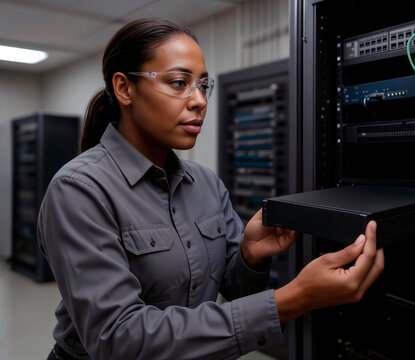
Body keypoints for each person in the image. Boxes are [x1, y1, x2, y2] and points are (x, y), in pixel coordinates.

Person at [37, 18, 384, 360]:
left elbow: (234, 289)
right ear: (125, 89)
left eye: (203, 85)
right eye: (178, 83)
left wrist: (248, 256)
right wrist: (294, 299)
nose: (199, 100)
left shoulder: (204, 182)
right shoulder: (79, 190)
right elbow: (119, 340)